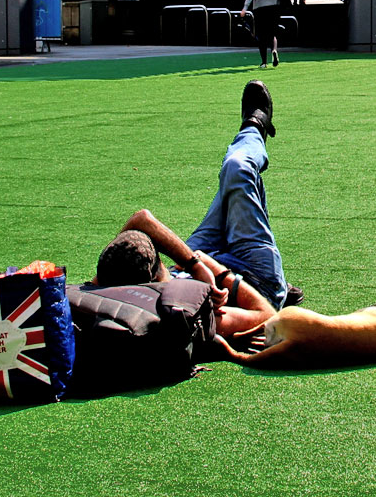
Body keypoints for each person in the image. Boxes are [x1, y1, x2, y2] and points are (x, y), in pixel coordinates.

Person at [95, 81, 299, 335]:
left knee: (231, 183)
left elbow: (141, 219)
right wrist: (215, 271)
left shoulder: (105, 284)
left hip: (197, 260)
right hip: (255, 280)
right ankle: (255, 127)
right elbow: (266, 314)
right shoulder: (179, 315)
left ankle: (253, 132)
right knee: (238, 170)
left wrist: (194, 265)